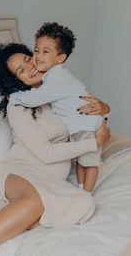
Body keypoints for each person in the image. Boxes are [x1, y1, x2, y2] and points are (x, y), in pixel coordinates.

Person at [0, 43, 111, 256]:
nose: (30, 66)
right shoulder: (18, 106)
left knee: (85, 204)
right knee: (34, 203)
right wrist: (94, 144)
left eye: (29, 59)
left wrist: (104, 108)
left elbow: (89, 119)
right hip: (20, 170)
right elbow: (46, 153)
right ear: (16, 81)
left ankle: (1, 221)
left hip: (51, 179)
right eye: (21, 70)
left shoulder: (59, 89)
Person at [9, 22, 103, 192]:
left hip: (86, 127)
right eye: (36, 51)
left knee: (89, 164)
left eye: (44, 52)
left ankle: (87, 193)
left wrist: (14, 96)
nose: (36, 59)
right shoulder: (52, 81)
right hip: (80, 130)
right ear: (16, 80)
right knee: (83, 163)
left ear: (60, 59)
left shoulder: (55, 80)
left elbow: (34, 98)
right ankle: (82, 188)